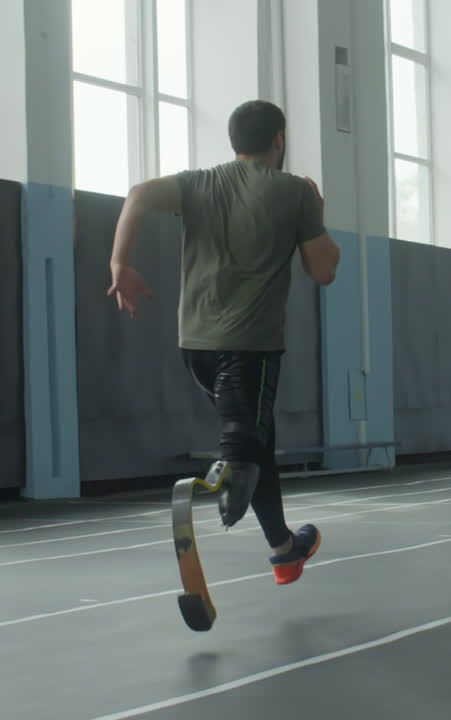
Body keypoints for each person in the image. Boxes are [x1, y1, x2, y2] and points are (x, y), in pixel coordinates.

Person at [107, 100, 341, 585]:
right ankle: (228, 482)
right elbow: (323, 271)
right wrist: (317, 215)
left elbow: (136, 195)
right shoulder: (295, 192)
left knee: (260, 440)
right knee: (244, 445)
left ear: (234, 142)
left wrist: (119, 264)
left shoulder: (197, 183)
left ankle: (284, 550)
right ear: (279, 139)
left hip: (194, 347)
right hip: (249, 348)